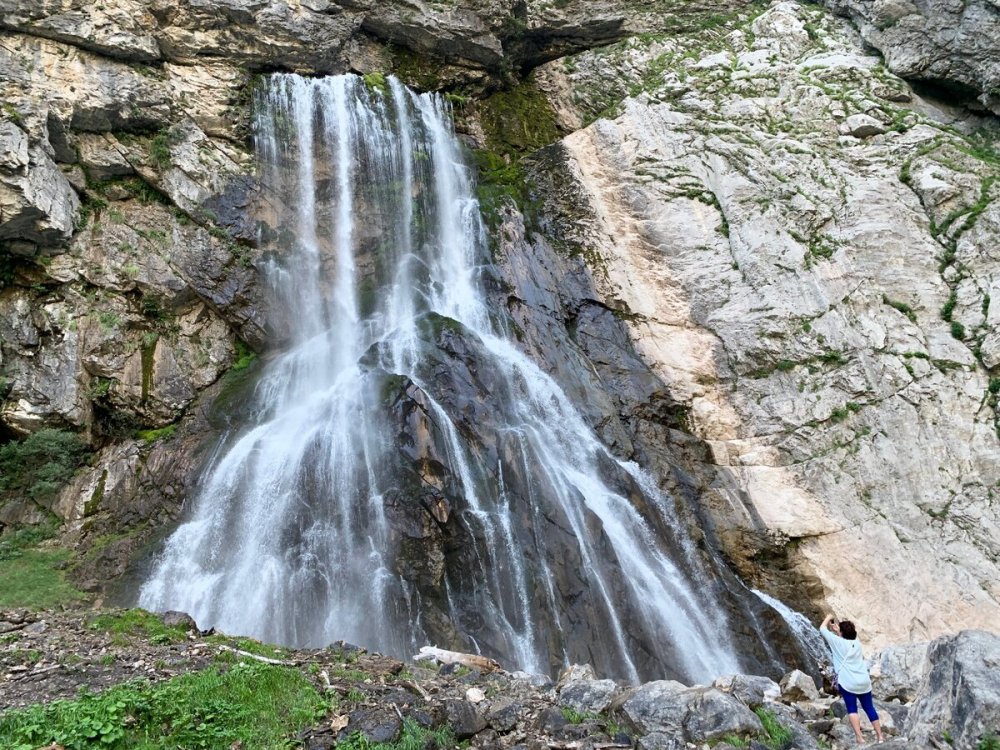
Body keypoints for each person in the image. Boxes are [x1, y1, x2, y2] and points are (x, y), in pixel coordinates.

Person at [819, 613, 885, 745]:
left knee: (852, 708)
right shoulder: (857, 643)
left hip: (848, 682)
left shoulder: (837, 642)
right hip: (864, 681)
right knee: (869, 708)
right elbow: (846, 640)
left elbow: (822, 629)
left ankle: (860, 738)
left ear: (842, 633)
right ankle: (880, 736)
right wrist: (839, 631)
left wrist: (828, 617)